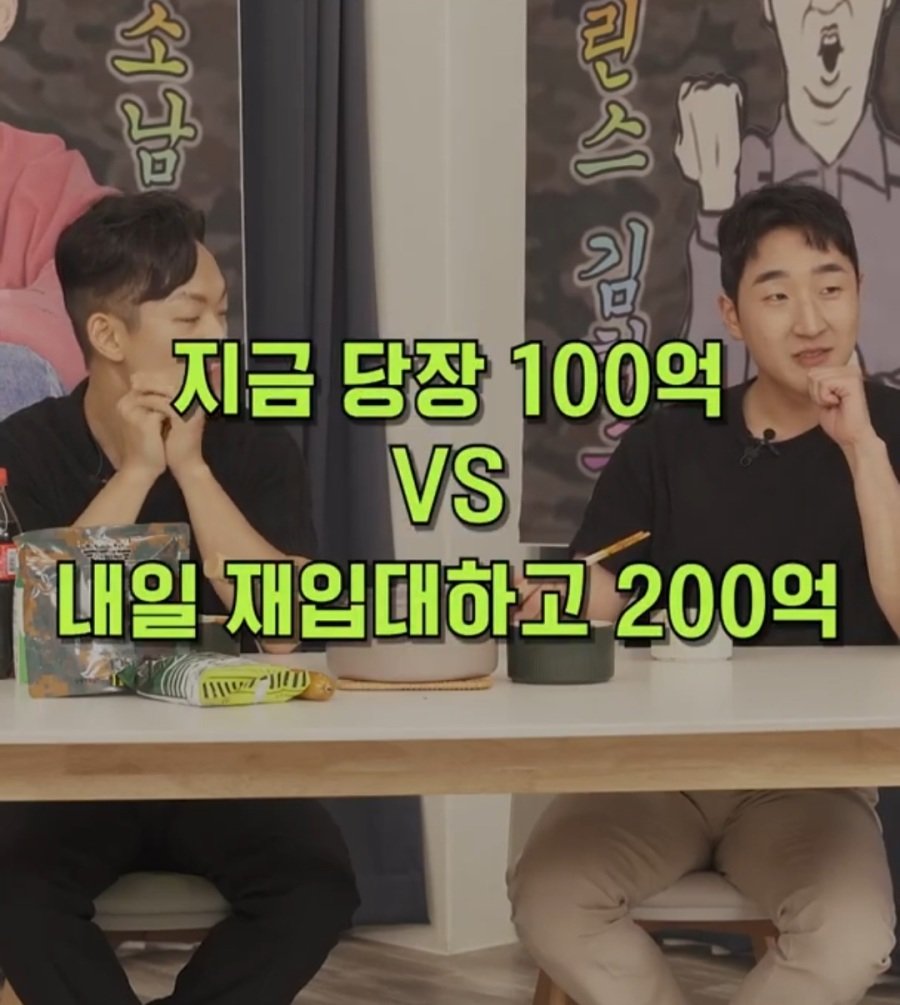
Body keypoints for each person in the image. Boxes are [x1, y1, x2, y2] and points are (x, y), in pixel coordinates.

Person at [509, 182, 900, 1004]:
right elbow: (603, 585)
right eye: (777, 295)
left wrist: (864, 449)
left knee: (852, 936)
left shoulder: (890, 432)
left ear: (861, 291)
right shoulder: (672, 434)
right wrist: (550, 595)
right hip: (658, 769)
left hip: (812, 782)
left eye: (830, 288)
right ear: (731, 315)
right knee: (550, 897)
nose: (810, 320)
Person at [0, 192, 359, 1005]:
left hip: (219, 761)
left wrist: (191, 468)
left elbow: (286, 625)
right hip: (70, 769)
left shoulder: (254, 444)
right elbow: (43, 629)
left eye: (222, 315)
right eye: (191, 320)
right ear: (108, 335)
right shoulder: (25, 448)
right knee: (13, 890)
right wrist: (137, 471)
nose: (218, 339)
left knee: (315, 884)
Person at [676, 0, 900, 387]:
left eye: (831, 289)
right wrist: (716, 199)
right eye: (778, 295)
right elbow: (701, 390)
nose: (826, 10)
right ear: (769, 6)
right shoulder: (729, 175)